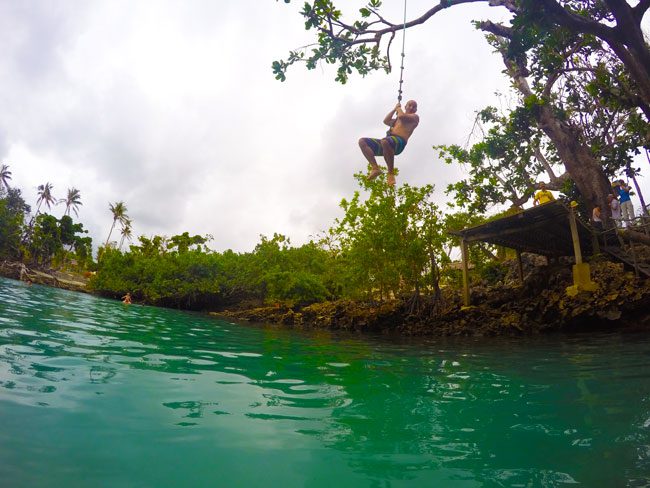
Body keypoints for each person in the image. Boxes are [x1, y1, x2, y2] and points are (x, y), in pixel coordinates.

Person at [358, 100, 420, 187]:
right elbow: (386, 121)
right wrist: (395, 109)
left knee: (385, 141)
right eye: (409, 105)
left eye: (414, 107)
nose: (411, 108)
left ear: (416, 110)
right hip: (388, 143)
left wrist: (398, 109)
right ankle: (375, 168)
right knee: (362, 141)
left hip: (399, 143)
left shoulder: (414, 117)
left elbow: (402, 116)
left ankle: (390, 173)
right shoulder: (396, 120)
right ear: (405, 106)